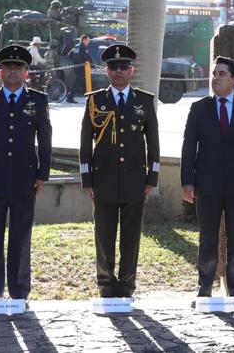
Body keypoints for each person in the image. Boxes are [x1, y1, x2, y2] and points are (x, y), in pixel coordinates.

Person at [0, 44, 52, 305]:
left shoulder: (37, 100)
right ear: (0, 72)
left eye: (19, 68)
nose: (13, 72)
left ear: (27, 73)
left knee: (21, 238)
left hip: (24, 179)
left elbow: (45, 139)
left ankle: (18, 293)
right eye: (8, 68)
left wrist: (42, 175)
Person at [180, 56, 234, 307]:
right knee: (208, 238)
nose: (215, 78)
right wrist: (187, 182)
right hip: (206, 185)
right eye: (214, 73)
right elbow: (188, 148)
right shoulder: (199, 108)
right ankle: (204, 289)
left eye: (222, 74)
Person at [78, 43, 160, 298]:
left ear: (131, 70)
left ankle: (127, 285)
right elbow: (84, 143)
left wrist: (152, 177)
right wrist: (86, 179)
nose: (118, 71)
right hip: (102, 180)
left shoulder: (144, 102)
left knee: (131, 236)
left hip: (135, 180)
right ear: (106, 70)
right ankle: (105, 283)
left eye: (123, 66)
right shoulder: (95, 101)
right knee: (103, 235)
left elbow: (154, 143)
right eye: (113, 67)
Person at [65, 34, 90, 104]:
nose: (88, 42)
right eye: (88, 40)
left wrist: (74, 61)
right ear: (84, 40)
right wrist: (93, 65)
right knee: (77, 83)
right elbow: (87, 57)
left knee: (80, 82)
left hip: (76, 67)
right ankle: (70, 98)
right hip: (81, 68)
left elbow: (69, 55)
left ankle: (88, 96)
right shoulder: (83, 47)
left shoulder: (76, 46)